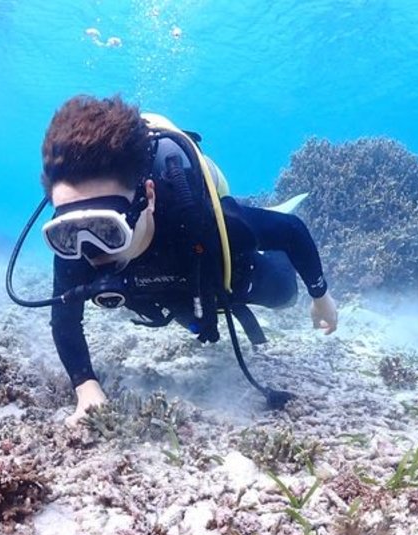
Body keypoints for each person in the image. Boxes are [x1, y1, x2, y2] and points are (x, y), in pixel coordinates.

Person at [38, 94, 338, 425]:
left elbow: (292, 230)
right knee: (188, 315)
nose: (91, 250)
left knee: (283, 294)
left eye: (109, 229)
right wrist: (87, 388)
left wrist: (321, 297)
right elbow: (64, 320)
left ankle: (263, 212)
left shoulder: (195, 217)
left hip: (209, 265)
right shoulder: (77, 243)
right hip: (177, 292)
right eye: (68, 233)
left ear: (147, 197)